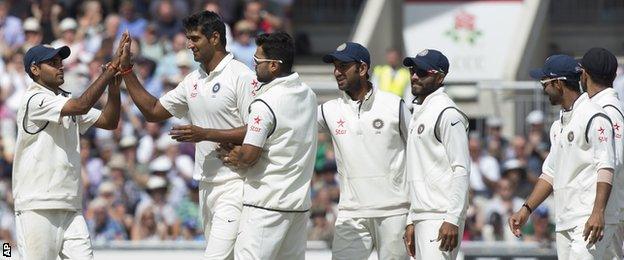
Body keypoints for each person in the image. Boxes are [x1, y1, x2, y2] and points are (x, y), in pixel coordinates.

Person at [120, 10, 255, 259]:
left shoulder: (242, 76)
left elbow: (257, 129)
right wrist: (127, 71)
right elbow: (153, 111)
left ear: (215, 38)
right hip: (205, 184)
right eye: (188, 38)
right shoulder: (193, 80)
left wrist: (204, 133)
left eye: (195, 39)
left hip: (237, 183)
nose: (189, 45)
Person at [12, 33, 129, 259]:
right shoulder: (34, 99)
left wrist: (113, 88)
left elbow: (109, 121)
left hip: (71, 206)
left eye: (61, 62)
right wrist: (111, 68)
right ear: (34, 70)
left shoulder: (63, 99)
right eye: (52, 63)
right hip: (37, 205)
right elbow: (82, 105)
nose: (60, 67)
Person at [216, 32, 317, 260]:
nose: (254, 67)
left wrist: (236, 156)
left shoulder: (265, 102)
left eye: (257, 62)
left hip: (265, 205)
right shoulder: (309, 95)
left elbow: (250, 155)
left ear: (273, 66)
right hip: (298, 206)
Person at [508, 54, 617, 259]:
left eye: (544, 83)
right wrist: (526, 209)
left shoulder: (594, 116)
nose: (543, 89)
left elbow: (606, 166)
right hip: (565, 218)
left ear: (558, 83)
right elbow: (549, 173)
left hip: (587, 218)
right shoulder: (559, 125)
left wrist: (597, 212)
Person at [318, 42, 409, 260]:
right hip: (351, 212)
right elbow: (292, 127)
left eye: (343, 66)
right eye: (335, 66)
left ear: (362, 68)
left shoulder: (394, 105)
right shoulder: (328, 110)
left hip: (394, 211)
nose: (336, 72)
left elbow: (417, 151)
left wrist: (414, 214)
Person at [402, 49, 470, 260]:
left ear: (440, 77)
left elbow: (461, 168)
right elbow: (416, 170)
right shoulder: (419, 111)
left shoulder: (447, 112)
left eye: (422, 72)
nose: (414, 76)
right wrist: (411, 219)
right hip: (423, 215)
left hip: (441, 216)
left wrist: (452, 218)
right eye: (413, 70)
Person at [579, 47, 624, 259]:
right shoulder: (603, 107)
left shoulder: (607, 110)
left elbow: (615, 162)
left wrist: (599, 211)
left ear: (584, 74)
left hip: (609, 213)